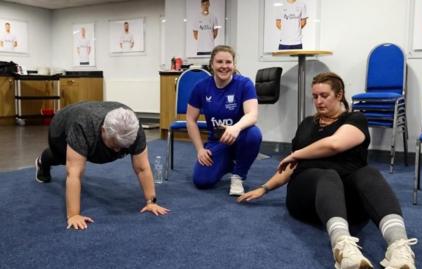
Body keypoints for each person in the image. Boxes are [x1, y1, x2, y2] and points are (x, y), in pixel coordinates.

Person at [238, 72, 417, 269]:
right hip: (307, 196)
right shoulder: (307, 124)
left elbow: (334, 144)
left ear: (339, 95)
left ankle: (399, 247)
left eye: (324, 96)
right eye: (315, 97)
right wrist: (265, 188)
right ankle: (343, 248)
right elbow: (290, 167)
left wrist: (297, 153)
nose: (318, 101)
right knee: (328, 175)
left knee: (369, 173)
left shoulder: (356, 119)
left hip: (348, 204)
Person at [35, 101, 169, 230]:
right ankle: (42, 161)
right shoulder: (82, 126)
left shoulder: (133, 128)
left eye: (122, 147)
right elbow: (74, 174)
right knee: (63, 159)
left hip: (92, 122)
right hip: (61, 128)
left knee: (85, 154)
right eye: (114, 145)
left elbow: (142, 167)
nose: (117, 151)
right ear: (103, 131)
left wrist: (151, 202)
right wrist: (74, 215)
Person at [186, 45, 262, 196]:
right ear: (212, 64)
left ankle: (238, 175)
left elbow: (252, 115)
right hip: (217, 142)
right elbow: (190, 119)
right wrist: (200, 149)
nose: (224, 66)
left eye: (228, 62)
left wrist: (236, 128)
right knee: (202, 181)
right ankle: (228, 162)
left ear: (233, 65)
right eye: (219, 62)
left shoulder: (244, 84)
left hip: (240, 137)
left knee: (254, 134)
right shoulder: (201, 87)